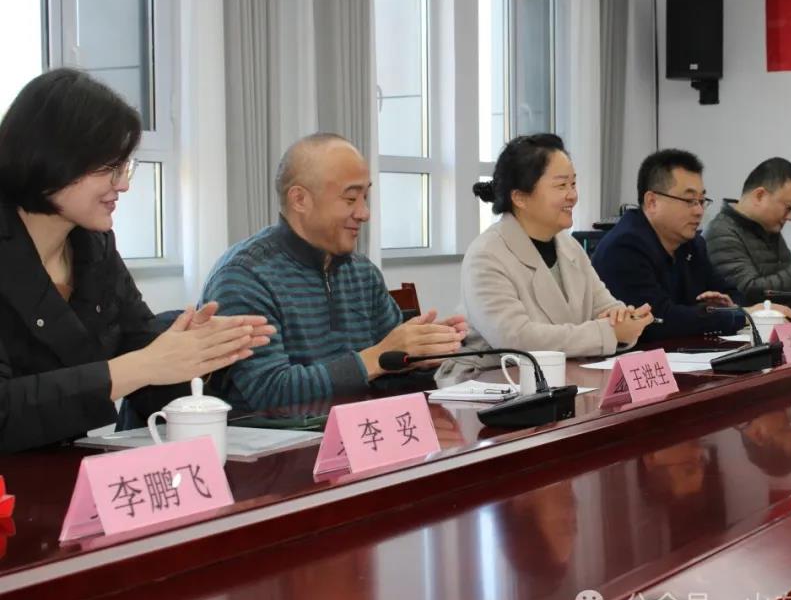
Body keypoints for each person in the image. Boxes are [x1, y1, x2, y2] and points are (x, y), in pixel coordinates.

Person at [0, 68, 274, 453]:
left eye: (125, 167)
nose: (124, 184)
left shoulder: (94, 248)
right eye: (109, 168)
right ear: (52, 158)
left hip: (66, 469)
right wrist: (144, 365)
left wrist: (195, 352)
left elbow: (145, 371)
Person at [201, 132, 467, 410]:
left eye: (365, 197)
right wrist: (376, 358)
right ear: (300, 200)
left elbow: (389, 371)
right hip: (280, 436)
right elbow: (270, 392)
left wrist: (420, 355)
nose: (364, 213)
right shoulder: (245, 277)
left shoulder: (362, 272)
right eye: (350, 199)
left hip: (364, 429)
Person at [438, 134, 652, 380]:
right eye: (561, 186)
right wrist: (609, 333)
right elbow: (517, 339)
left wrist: (626, 318)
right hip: (492, 381)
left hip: (563, 375)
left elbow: (605, 307)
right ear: (520, 197)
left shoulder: (569, 246)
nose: (572, 195)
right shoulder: (486, 255)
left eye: (573, 184)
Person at [592, 149, 791, 341]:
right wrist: (738, 315)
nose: (699, 211)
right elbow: (658, 319)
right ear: (652, 202)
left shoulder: (692, 244)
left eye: (701, 200)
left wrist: (727, 307)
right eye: (690, 200)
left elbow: (733, 293)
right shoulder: (624, 248)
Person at [703, 157, 791, 312]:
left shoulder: (768, 227)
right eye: (789, 207)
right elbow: (749, 295)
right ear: (760, 196)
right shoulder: (721, 233)